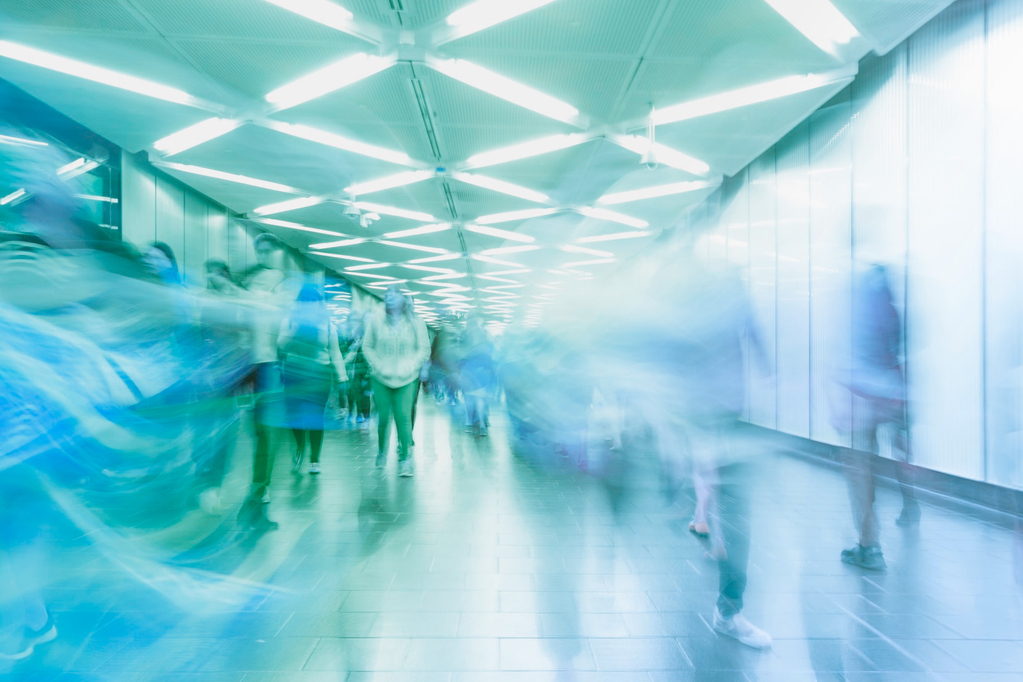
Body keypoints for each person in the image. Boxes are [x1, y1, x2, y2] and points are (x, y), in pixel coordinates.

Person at [835, 264, 919, 571]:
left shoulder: (854, 303)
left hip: (862, 395)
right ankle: (909, 505)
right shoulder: (893, 308)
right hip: (894, 391)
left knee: (859, 466)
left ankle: (870, 545)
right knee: (889, 456)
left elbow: (846, 353)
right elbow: (903, 346)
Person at [239, 233, 294, 512]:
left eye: (269, 250)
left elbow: (280, 316)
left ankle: (260, 486)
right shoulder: (246, 277)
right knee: (241, 428)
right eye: (259, 249)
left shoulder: (280, 282)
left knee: (264, 429)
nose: (264, 255)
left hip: (265, 363)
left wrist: (253, 296)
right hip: (241, 363)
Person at [361, 285, 430, 477]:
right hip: (381, 377)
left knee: (403, 417)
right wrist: (378, 366)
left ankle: (405, 458)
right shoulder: (376, 321)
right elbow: (367, 347)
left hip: (407, 378)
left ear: (404, 299)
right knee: (383, 418)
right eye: (387, 295)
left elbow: (424, 349)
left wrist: (411, 366)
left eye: (394, 294)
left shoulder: (417, 322)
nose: (389, 298)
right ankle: (382, 451)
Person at [279, 284, 346, 475]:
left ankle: (315, 459)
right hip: (294, 374)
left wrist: (342, 378)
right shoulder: (289, 322)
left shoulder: (327, 325)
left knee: (316, 417)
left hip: (320, 375)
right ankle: (300, 447)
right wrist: (296, 331)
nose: (311, 306)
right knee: (294, 416)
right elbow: (281, 346)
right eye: (306, 302)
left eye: (315, 302)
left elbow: (335, 352)